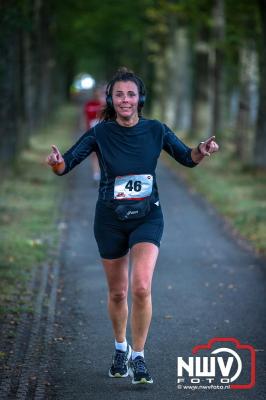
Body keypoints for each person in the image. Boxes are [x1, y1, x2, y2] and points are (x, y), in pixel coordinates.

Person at [46, 67, 219, 385]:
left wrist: (201, 151)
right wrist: (57, 161)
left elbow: (186, 157)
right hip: (110, 219)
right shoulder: (100, 132)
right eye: (119, 94)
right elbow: (65, 164)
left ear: (140, 99)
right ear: (111, 99)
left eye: (131, 94)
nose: (125, 100)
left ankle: (138, 357)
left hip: (147, 216)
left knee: (140, 286)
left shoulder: (156, 130)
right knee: (118, 292)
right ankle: (119, 349)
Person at [83, 86, 105, 185]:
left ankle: (104, 174)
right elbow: (85, 117)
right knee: (94, 154)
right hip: (92, 131)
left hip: (103, 131)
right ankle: (96, 175)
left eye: (100, 93)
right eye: (97, 93)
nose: (98, 95)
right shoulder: (89, 104)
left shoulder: (105, 104)